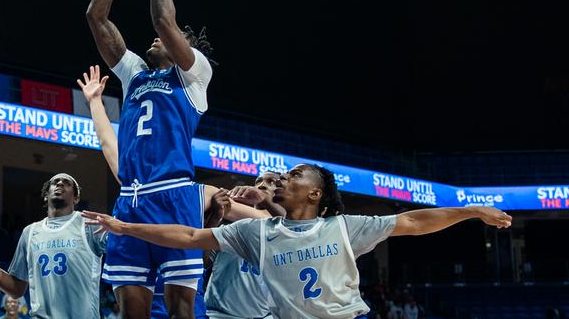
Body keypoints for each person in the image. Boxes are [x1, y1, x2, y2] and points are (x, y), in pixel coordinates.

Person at [84, 163, 513, 319]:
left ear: (315, 194)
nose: (285, 179)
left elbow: (414, 222)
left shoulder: (344, 227)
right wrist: (126, 228)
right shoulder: (259, 233)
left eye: (294, 176)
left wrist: (470, 210)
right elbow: (191, 235)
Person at [86, 0, 215, 319]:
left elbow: (164, 20)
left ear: (185, 46)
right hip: (130, 200)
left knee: (180, 313)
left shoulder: (194, 74)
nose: (156, 37)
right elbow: (96, 17)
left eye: (171, 39)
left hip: (174, 196)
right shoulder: (136, 74)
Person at [77, 66, 271, 319]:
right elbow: (109, 146)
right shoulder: (133, 184)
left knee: (182, 309)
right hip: (139, 253)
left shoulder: (198, 193)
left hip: (196, 302)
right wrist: (95, 103)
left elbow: (265, 221)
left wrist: (268, 202)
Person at [0, 173, 105, 318]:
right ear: (46, 195)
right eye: (55, 182)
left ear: (76, 198)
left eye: (67, 183)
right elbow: (16, 289)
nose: (60, 184)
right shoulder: (30, 232)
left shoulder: (90, 225)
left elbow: (125, 250)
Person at [204, 171, 286, 319]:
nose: (262, 185)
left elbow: (295, 228)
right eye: (258, 181)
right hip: (218, 315)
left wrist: (266, 201)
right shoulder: (230, 229)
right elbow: (203, 262)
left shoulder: (287, 233)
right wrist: (215, 218)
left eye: (272, 182)